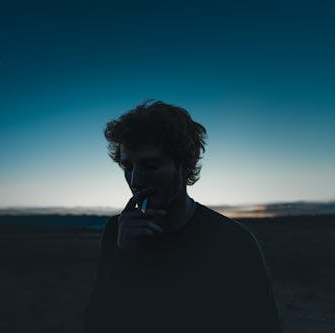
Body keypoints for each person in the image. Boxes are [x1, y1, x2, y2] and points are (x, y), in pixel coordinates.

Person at [83, 100, 282, 333]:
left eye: (150, 165)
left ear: (186, 165)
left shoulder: (234, 241)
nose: (135, 180)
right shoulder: (118, 232)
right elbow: (97, 325)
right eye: (128, 166)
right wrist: (123, 255)